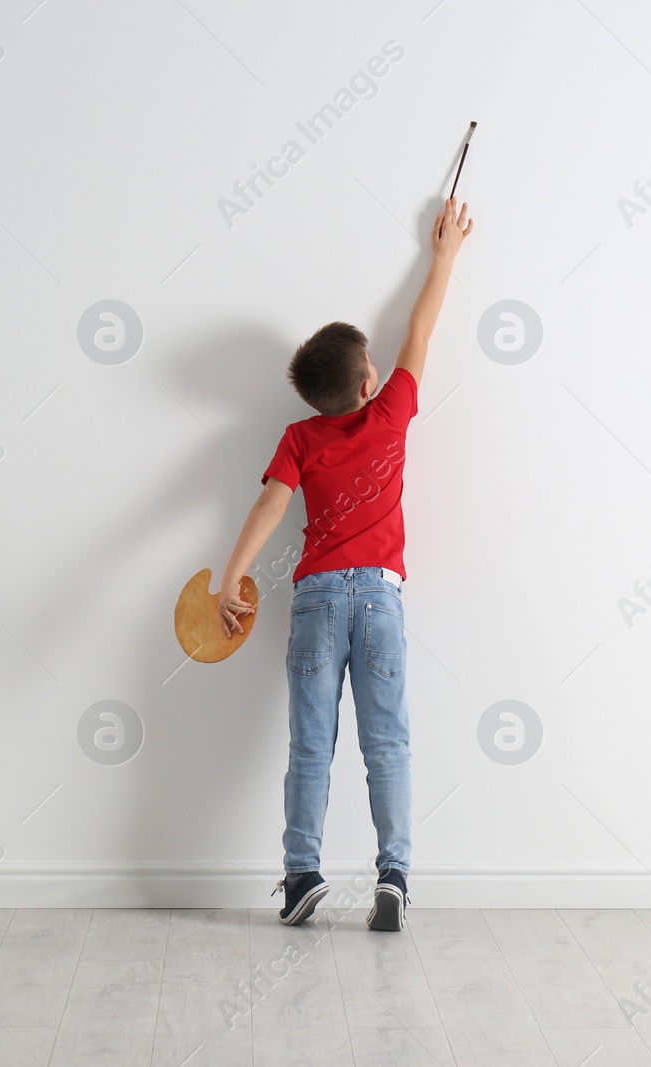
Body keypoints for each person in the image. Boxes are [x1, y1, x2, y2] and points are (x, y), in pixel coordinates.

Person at [215, 197, 474, 929]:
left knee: (310, 743)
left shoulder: (300, 437)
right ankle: (393, 873)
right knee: (386, 741)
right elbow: (420, 329)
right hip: (382, 601)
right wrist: (444, 254)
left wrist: (228, 576)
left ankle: (302, 876)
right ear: (367, 384)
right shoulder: (391, 412)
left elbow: (268, 507)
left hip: (318, 600)